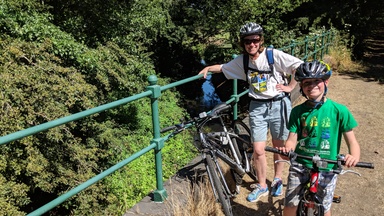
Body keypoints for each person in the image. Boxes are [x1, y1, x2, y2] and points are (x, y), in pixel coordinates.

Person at [198, 22, 303, 202]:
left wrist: (290, 87)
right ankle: (262, 185)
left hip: (278, 104)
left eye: (255, 40)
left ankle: (277, 179)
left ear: (260, 40)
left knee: (279, 146)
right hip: (258, 107)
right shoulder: (243, 61)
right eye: (248, 41)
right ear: (243, 43)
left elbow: (299, 67)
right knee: (258, 149)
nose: (251, 44)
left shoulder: (273, 55)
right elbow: (224, 68)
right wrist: (208, 68)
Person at [278, 60, 361, 216]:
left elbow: (353, 142)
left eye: (317, 80)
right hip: (301, 163)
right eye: (307, 82)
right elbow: (292, 138)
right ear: (301, 87)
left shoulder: (339, 111)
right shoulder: (297, 111)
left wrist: (353, 156)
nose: (312, 85)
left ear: (326, 81)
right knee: (290, 205)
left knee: (325, 206)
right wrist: (288, 148)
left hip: (327, 166)